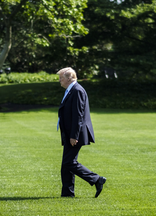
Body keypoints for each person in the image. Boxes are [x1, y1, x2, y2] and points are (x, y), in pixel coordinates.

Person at [56, 67, 106, 198]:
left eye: (61, 78)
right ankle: (67, 193)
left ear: (69, 78)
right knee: (66, 164)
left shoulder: (77, 91)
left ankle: (96, 179)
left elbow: (78, 116)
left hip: (74, 134)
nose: (59, 81)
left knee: (69, 163)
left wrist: (74, 136)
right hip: (69, 133)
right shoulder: (71, 90)